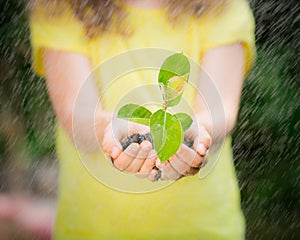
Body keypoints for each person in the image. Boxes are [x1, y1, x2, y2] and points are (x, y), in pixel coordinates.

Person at [30, 0, 255, 239]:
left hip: (204, 230)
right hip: (91, 231)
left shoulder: (220, 6)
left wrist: (194, 136)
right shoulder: (61, 8)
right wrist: (112, 129)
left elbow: (217, 111)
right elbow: (79, 114)